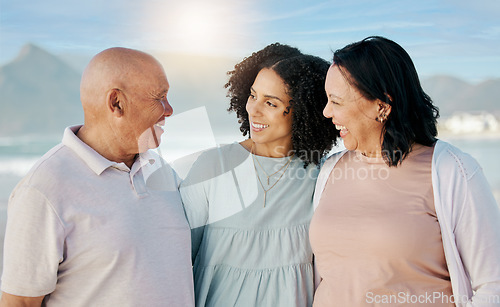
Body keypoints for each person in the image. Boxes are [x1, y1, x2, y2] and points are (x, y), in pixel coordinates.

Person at [310, 36, 500, 306]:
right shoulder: (330, 170)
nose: (326, 112)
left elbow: (493, 287)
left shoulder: (452, 171)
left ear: (381, 105)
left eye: (336, 101)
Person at [0, 47, 194, 306]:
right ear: (116, 103)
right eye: (159, 97)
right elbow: (19, 302)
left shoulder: (160, 168)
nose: (169, 110)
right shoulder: (42, 190)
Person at [179, 43, 338, 307]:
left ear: (303, 112)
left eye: (271, 103)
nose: (254, 109)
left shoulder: (320, 176)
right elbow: (175, 259)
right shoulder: (213, 166)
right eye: (253, 95)